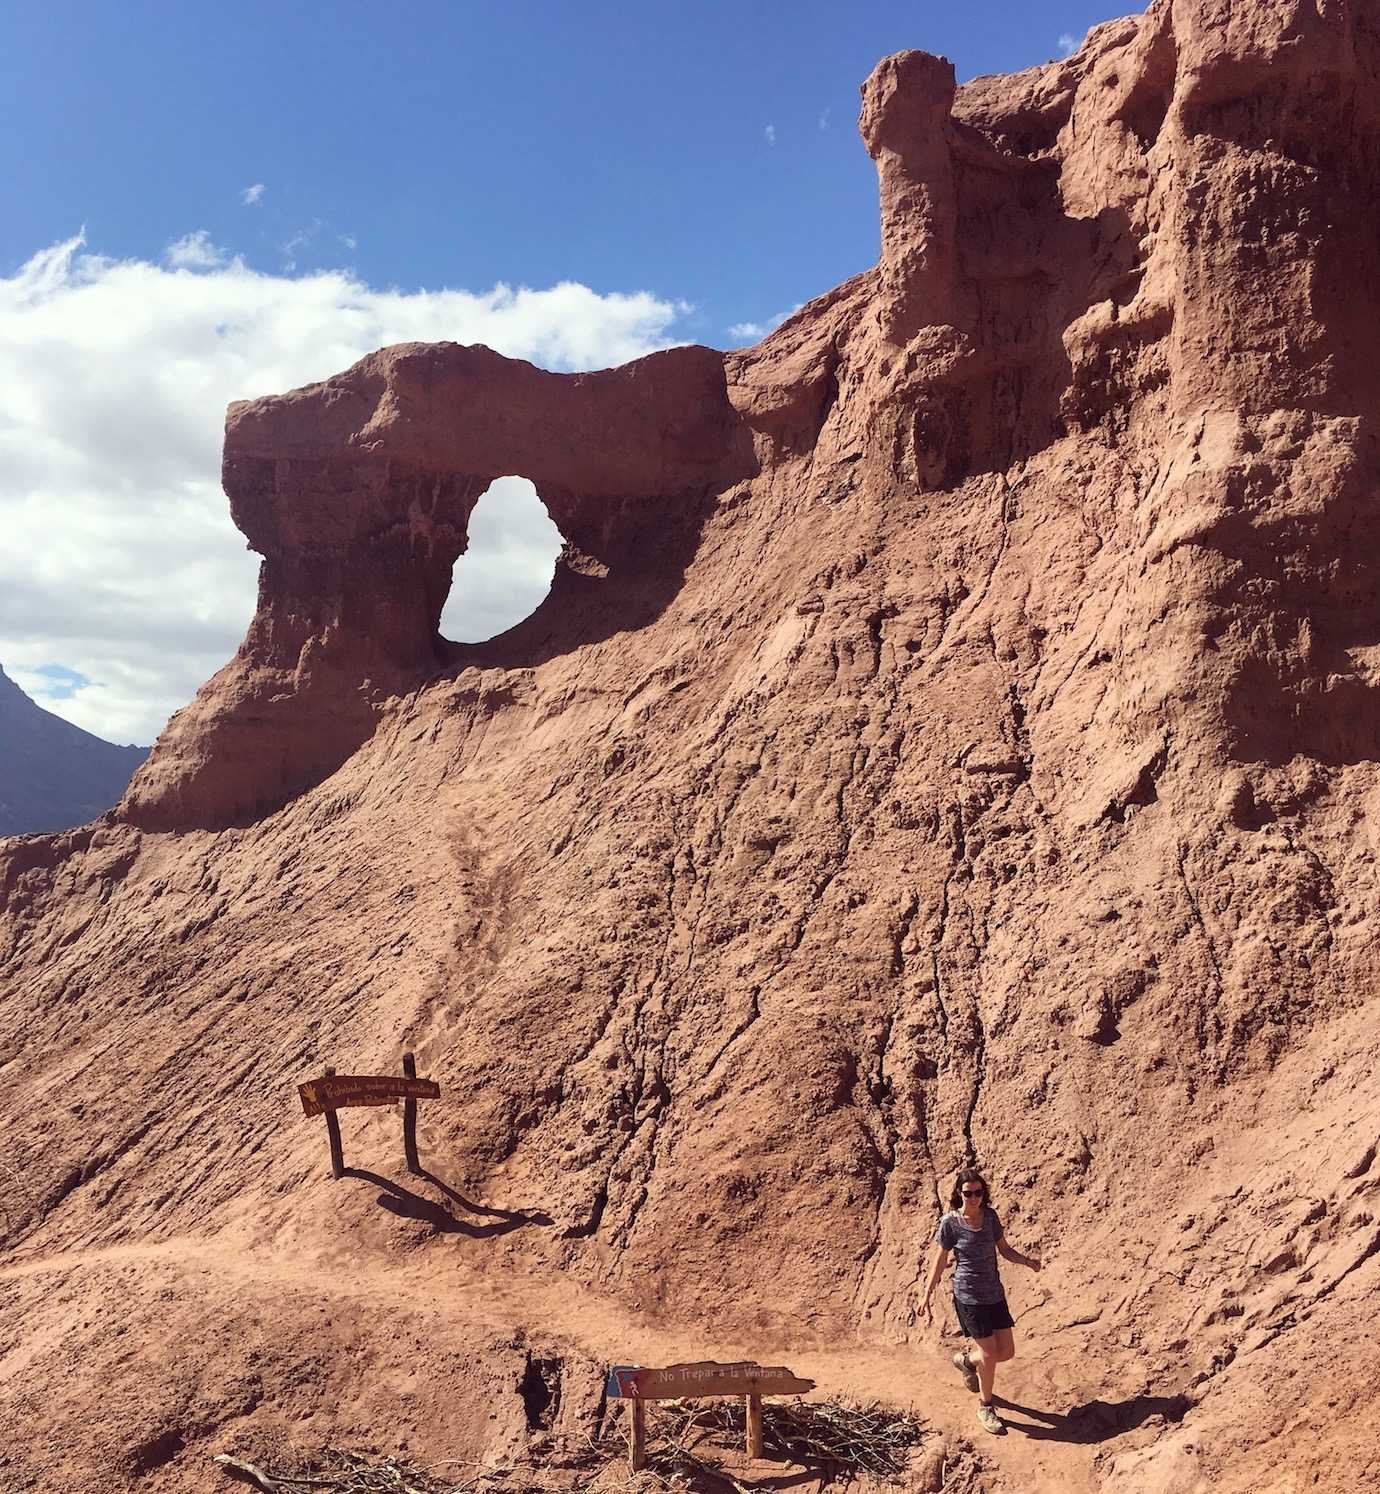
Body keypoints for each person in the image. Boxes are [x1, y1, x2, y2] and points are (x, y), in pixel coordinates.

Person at [919, 1168, 1041, 1434]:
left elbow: (1005, 1249)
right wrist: (926, 1295)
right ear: (959, 1194)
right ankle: (986, 1406)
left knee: (1005, 1352)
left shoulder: (990, 1217)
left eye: (978, 1193)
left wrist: (1027, 1261)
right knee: (989, 1353)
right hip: (969, 1296)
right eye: (968, 1193)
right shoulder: (950, 1223)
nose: (973, 1198)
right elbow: (940, 1261)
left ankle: (966, 1362)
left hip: (993, 1294)